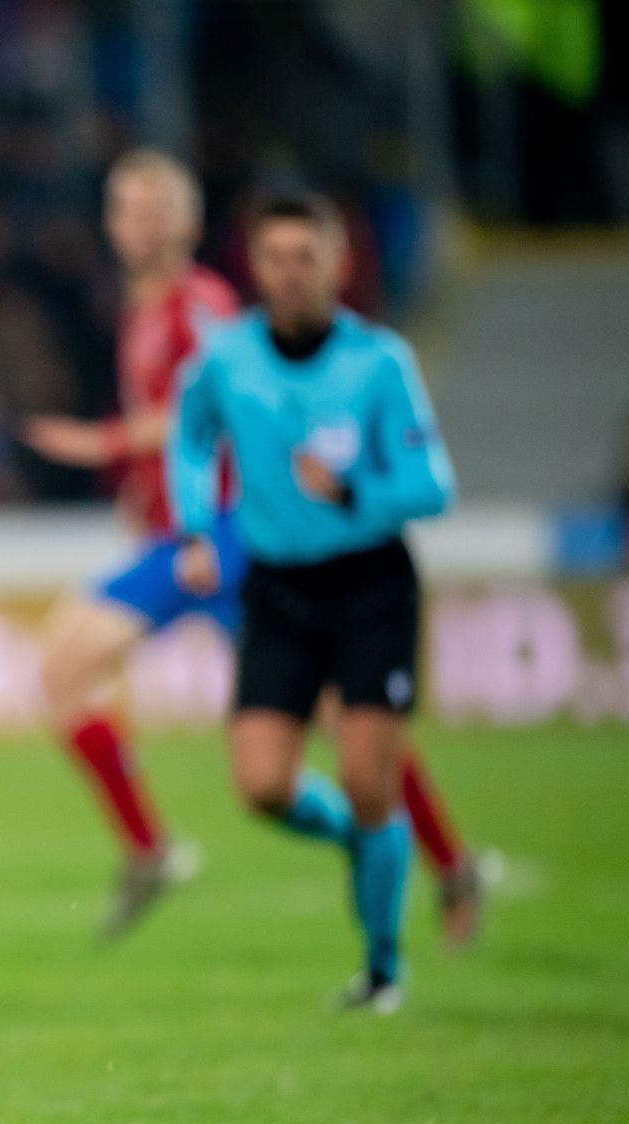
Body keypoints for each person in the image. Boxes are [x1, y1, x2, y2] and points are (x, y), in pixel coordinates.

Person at [29, 151, 489, 946]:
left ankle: (445, 861)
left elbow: (198, 412)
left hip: (245, 538)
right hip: (187, 542)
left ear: (186, 222)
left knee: (353, 725)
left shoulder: (202, 304)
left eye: (153, 208)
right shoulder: (141, 307)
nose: (135, 223)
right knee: (65, 664)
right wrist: (152, 492)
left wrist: (99, 440)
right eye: (123, 208)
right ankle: (153, 848)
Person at [168, 193, 455, 1012]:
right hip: (279, 587)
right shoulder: (226, 362)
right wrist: (194, 528)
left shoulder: (380, 362)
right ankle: (367, 846)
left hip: (370, 585)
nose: (289, 275)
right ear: (254, 268)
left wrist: (353, 486)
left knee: (370, 777)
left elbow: (432, 486)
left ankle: (383, 967)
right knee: (261, 784)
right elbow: (190, 438)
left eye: (306, 258)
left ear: (340, 264)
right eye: (274, 259)